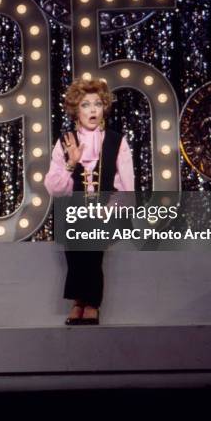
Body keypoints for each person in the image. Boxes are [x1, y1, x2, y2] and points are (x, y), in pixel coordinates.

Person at [44, 78, 134, 325]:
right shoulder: (65, 142)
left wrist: (108, 211)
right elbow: (54, 187)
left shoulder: (116, 141)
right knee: (77, 251)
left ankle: (87, 302)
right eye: (86, 104)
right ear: (76, 110)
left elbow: (126, 186)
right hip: (73, 213)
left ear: (104, 107)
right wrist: (71, 163)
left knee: (92, 246)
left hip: (106, 213)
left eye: (97, 104)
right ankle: (82, 301)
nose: (93, 110)